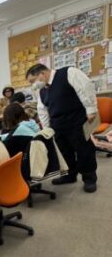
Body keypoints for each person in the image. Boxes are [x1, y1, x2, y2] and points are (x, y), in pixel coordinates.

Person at [26, 63, 98, 193]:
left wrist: (91, 109)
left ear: (42, 74)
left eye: (32, 81)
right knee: (64, 152)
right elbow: (42, 110)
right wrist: (47, 129)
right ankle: (69, 176)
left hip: (76, 121)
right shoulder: (43, 90)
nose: (33, 85)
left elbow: (85, 88)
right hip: (57, 125)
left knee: (84, 150)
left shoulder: (68, 73)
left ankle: (89, 179)